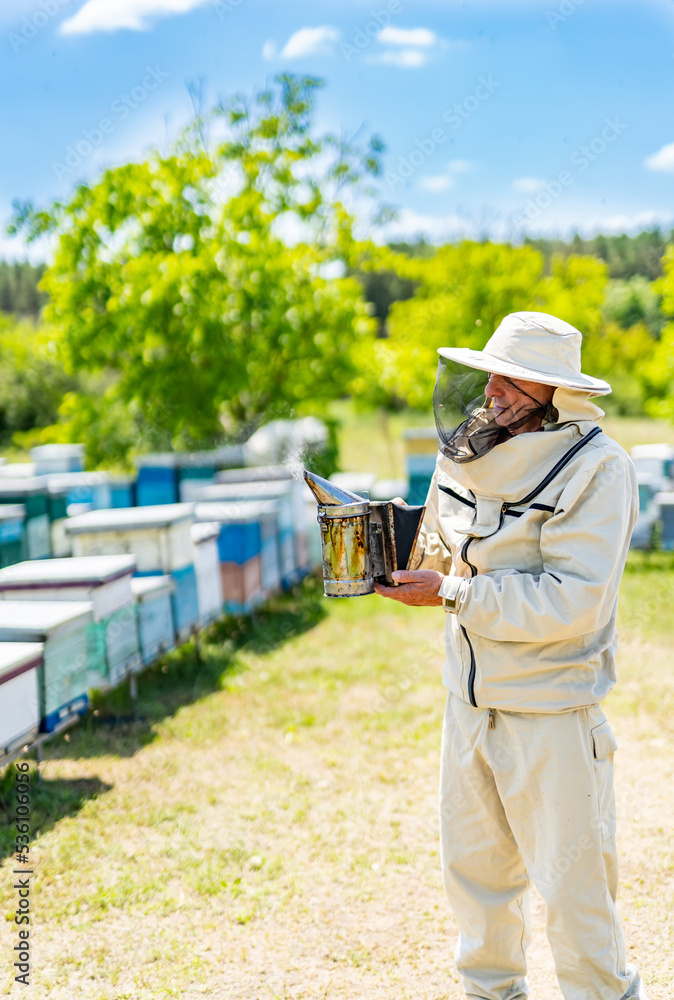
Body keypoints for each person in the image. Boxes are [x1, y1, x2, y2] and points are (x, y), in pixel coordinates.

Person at [374, 311, 647, 1000]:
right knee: (478, 894)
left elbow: (572, 602)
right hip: (467, 707)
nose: (491, 388)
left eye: (511, 378)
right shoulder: (471, 446)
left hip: (551, 716)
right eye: (490, 372)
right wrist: (384, 544)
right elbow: (443, 551)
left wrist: (454, 594)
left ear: (555, 390)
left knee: (576, 902)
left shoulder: (598, 469)